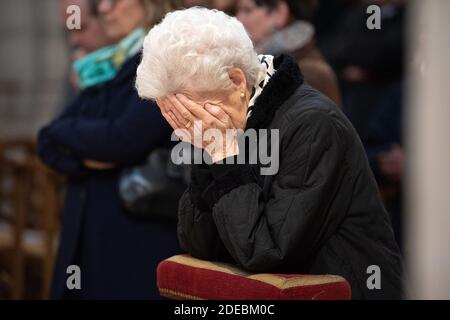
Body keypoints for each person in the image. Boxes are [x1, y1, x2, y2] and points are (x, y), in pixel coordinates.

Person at [135, 7, 403, 299]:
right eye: (175, 114)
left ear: (237, 82)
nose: (187, 123)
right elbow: (200, 245)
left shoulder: (315, 125)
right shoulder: (220, 125)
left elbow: (264, 251)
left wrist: (225, 156)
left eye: (192, 109)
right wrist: (208, 152)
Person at [38, 0, 180, 299]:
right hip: (95, 231)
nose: (103, 8)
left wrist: (73, 140)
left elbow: (124, 138)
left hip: (133, 239)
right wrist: (86, 153)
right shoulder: (110, 62)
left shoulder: (168, 58)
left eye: (114, 0)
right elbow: (49, 142)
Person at [236, 0, 341, 105]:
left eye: (247, 10)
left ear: (279, 13)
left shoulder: (308, 72)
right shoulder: (273, 64)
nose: (239, 19)